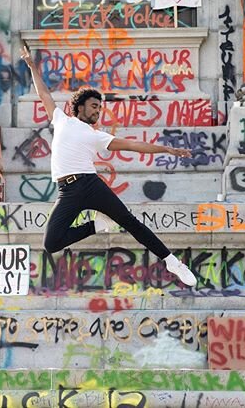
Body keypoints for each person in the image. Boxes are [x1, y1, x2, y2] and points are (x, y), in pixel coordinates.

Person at [21, 44, 196, 287]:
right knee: (51, 243)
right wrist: (32, 66)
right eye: (94, 107)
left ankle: (172, 262)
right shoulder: (61, 120)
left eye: (100, 108)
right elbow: (44, 95)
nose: (98, 112)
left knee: (131, 223)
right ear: (78, 107)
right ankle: (96, 224)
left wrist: (167, 149)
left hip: (90, 185)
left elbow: (133, 145)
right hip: (67, 191)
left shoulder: (97, 136)